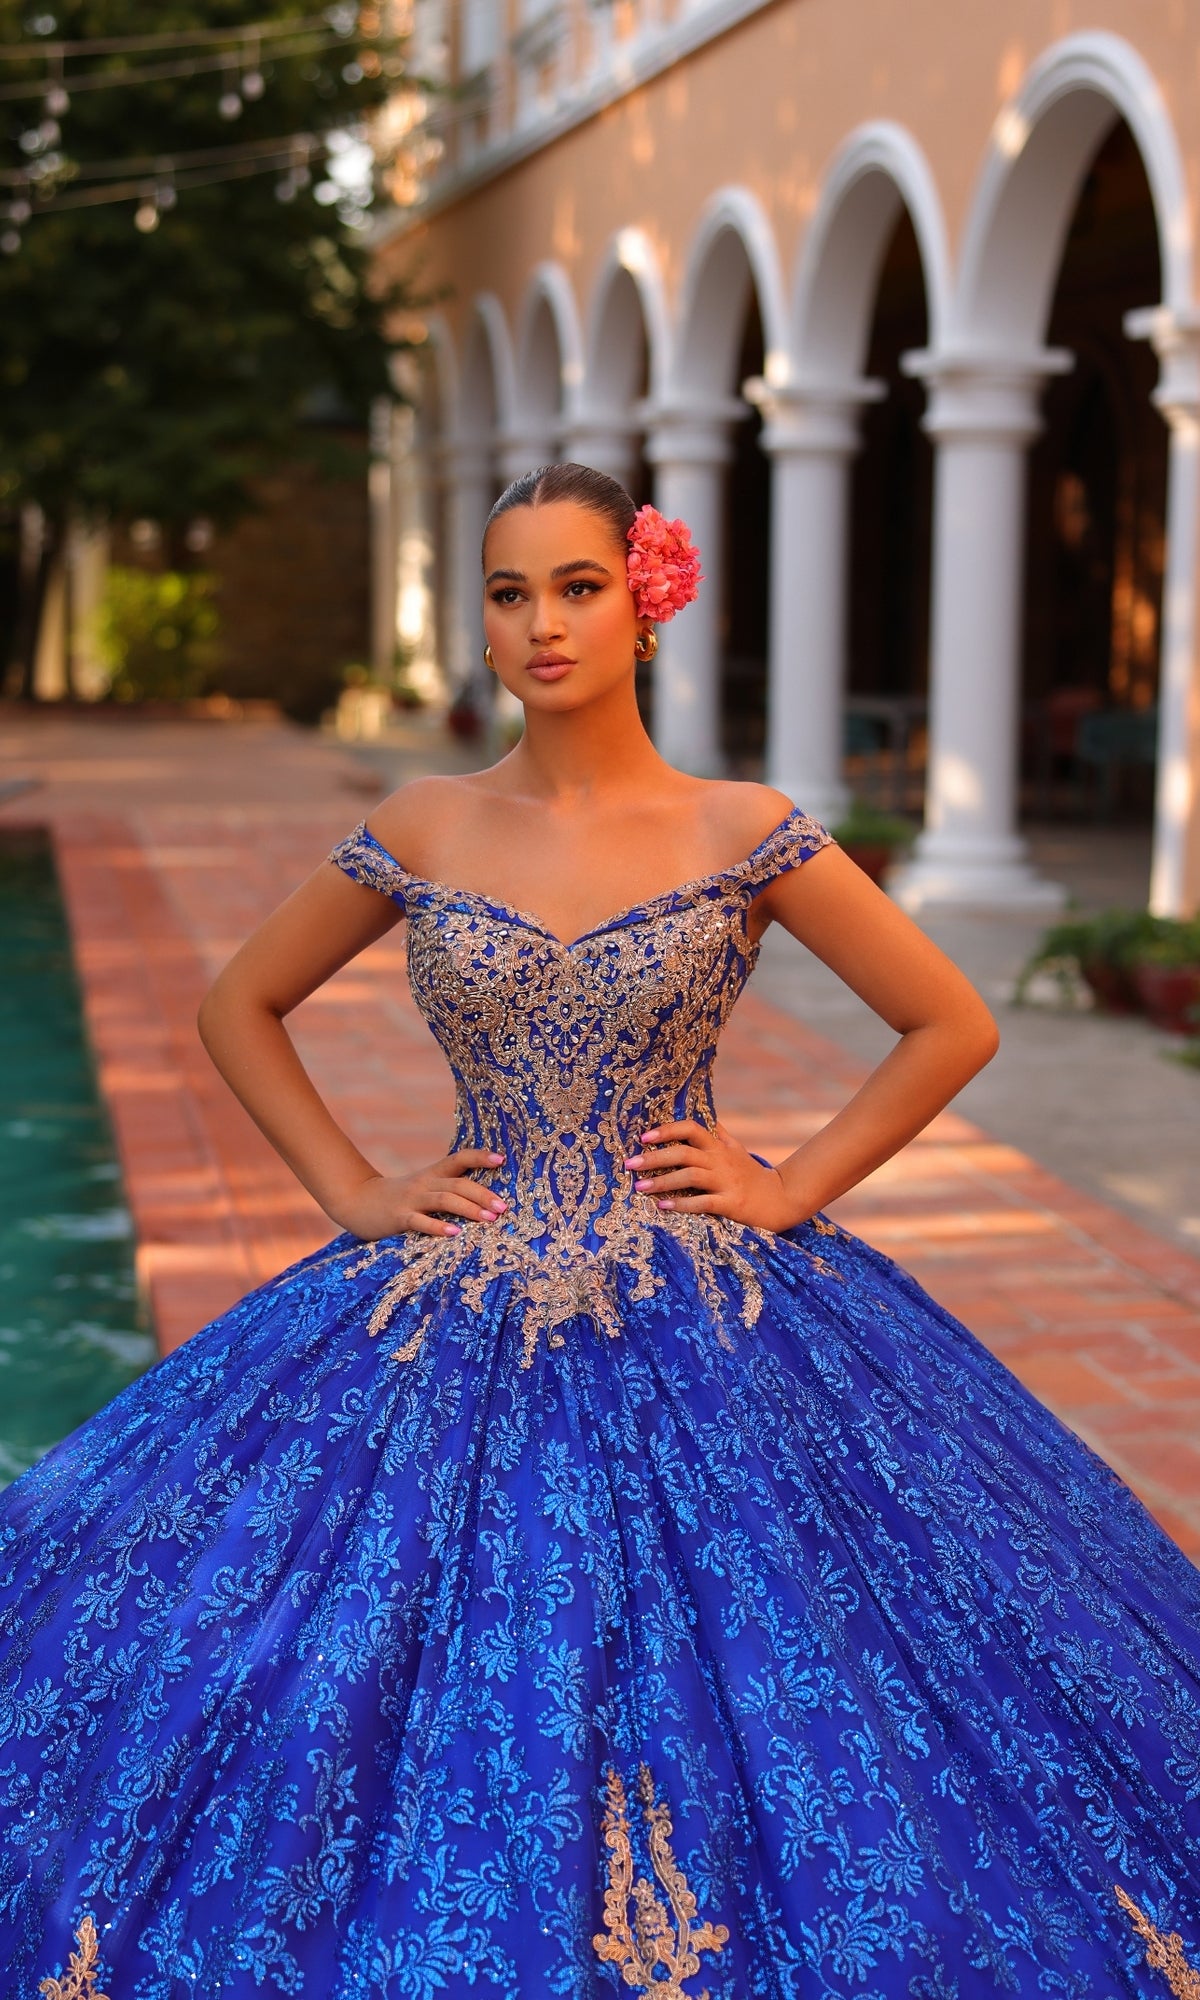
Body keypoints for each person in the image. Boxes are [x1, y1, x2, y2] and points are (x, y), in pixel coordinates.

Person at [2, 463, 1199, 2000]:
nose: (543, 622)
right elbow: (239, 1001)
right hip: (451, 1289)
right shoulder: (425, 820)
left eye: (576, 585)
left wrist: (788, 1184)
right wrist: (355, 1191)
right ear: (484, 626)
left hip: (709, 1297)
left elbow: (945, 1020)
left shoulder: (742, 826)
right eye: (509, 593)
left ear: (645, 597)